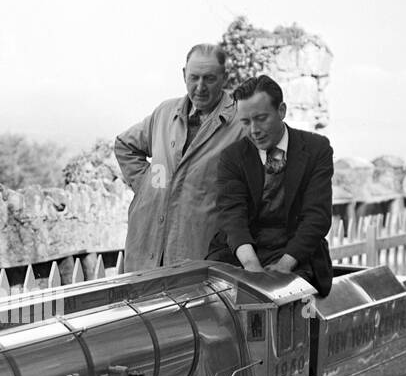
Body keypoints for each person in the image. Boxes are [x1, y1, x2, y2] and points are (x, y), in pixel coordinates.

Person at [113, 43, 245, 270]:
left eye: (209, 78)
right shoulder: (165, 112)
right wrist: (151, 186)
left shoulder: (242, 124)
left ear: (224, 78)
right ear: (184, 74)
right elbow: (125, 145)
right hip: (146, 253)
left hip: (200, 259)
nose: (200, 87)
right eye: (194, 77)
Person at [208, 75, 334, 297]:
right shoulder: (232, 157)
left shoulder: (317, 149)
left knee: (289, 301)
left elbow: (317, 217)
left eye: (261, 118)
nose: (254, 130)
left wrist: (284, 266)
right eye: (245, 122)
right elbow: (232, 217)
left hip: (295, 256)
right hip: (242, 253)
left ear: (282, 111)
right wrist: (252, 267)